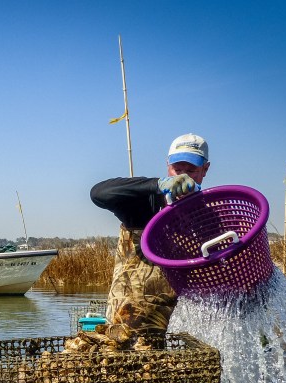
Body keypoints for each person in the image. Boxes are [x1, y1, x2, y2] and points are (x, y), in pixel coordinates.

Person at [90, 133, 210, 342]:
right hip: (126, 330)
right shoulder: (143, 204)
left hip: (179, 332)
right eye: (177, 170)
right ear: (167, 166)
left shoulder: (208, 217)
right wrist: (157, 184)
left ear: (205, 170)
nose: (183, 177)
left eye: (191, 171)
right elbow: (98, 193)